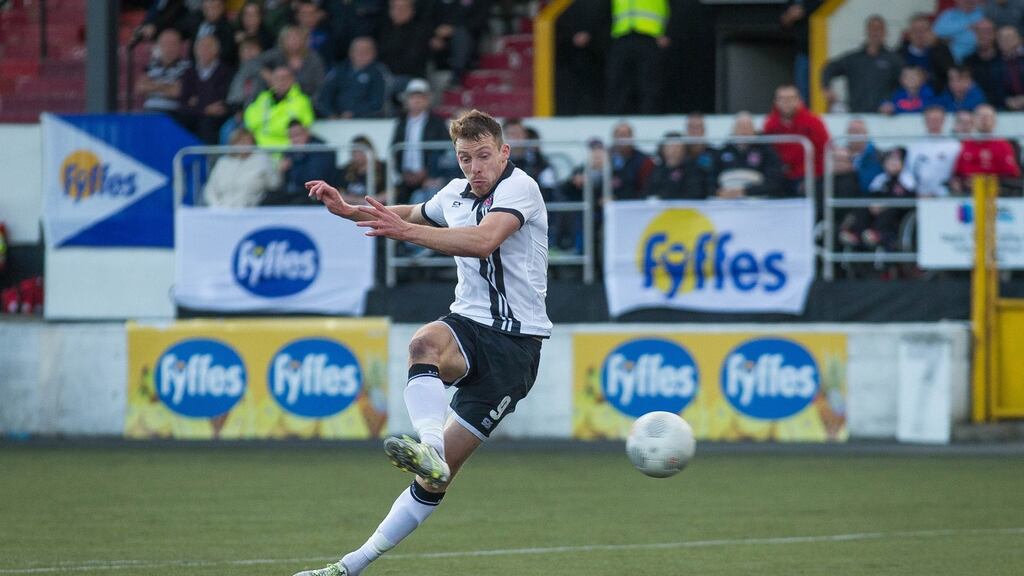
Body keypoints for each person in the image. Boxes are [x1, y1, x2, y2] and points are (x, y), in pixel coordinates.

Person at [297, 109, 551, 576]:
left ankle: (361, 556)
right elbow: (411, 213)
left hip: (515, 348)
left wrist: (407, 233)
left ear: (504, 153)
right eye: (465, 158)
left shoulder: (521, 188)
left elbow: (482, 241)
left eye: (483, 156)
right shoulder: (453, 193)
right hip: (468, 323)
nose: (474, 167)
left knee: (434, 482)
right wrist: (349, 209)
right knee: (423, 345)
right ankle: (348, 566)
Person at [820, 14, 903, 113]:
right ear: (866, 31)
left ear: (885, 33)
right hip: (856, 115)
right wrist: (827, 88)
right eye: (872, 29)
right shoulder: (853, 59)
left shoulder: (894, 60)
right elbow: (829, 68)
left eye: (879, 29)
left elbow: (905, 86)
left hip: (884, 116)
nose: (875, 32)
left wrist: (895, 104)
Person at [390, 78, 450, 204]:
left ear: (427, 100)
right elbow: (395, 149)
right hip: (405, 179)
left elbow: (443, 150)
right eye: (413, 97)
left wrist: (429, 172)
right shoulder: (401, 123)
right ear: (406, 100)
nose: (416, 100)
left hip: (431, 179)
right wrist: (403, 173)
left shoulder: (437, 123)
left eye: (421, 97)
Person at [762, 84, 829, 195]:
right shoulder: (770, 125)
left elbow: (824, 151)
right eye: (782, 99)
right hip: (779, 178)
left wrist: (813, 176)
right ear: (776, 102)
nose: (786, 102)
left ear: (799, 100)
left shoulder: (813, 123)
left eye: (790, 98)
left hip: (808, 176)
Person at [605, 0, 670, 114]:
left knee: (648, 81)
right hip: (622, 36)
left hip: (651, 37)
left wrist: (668, 33)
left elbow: (675, 7)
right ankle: (616, 116)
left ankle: (648, 116)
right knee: (617, 80)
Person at [713, 112, 786, 199]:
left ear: (754, 130)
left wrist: (745, 192)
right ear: (733, 130)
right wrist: (718, 192)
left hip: (757, 201)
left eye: (747, 127)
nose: (744, 131)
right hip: (726, 200)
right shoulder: (722, 152)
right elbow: (711, 178)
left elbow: (773, 181)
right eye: (740, 127)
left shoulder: (766, 152)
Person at [203, 127, 280, 207]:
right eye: (240, 141)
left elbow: (274, 184)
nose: (243, 145)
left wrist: (278, 170)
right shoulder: (223, 162)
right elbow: (210, 190)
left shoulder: (262, 160)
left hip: (251, 209)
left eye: (247, 141)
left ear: (253, 143)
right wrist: (216, 206)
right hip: (221, 209)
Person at [177, 35, 233, 144]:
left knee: (207, 123)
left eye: (208, 47)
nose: (204, 50)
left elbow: (221, 102)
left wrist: (197, 102)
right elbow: (183, 103)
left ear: (216, 51)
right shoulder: (189, 73)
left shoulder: (226, 72)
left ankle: (206, 155)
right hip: (192, 116)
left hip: (216, 119)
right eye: (201, 47)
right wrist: (204, 109)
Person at [266, 120, 337, 205]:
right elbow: (280, 183)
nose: (295, 139)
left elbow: (314, 178)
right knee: (267, 199)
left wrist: (295, 162)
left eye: (297, 135)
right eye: (291, 136)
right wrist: (281, 171)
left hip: (313, 194)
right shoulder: (289, 152)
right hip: (292, 193)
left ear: (307, 132)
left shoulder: (320, 149)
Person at [316, 36, 389, 119]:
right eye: (358, 51)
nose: (361, 54)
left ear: (374, 53)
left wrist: (354, 113)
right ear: (351, 52)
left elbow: (378, 103)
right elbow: (324, 96)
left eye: (366, 51)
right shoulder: (339, 70)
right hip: (336, 120)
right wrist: (330, 114)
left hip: (367, 121)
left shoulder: (379, 73)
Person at [243, 64, 315, 147]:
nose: (281, 81)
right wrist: (278, 117)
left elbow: (299, 129)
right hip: (260, 148)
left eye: (285, 78)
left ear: (293, 80)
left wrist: (266, 121)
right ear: (271, 81)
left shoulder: (301, 101)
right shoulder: (263, 98)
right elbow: (250, 122)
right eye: (277, 78)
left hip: (288, 149)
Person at [901, 105, 961, 197]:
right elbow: (907, 172)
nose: (934, 123)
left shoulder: (955, 146)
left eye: (937, 119)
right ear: (925, 121)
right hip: (920, 196)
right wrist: (914, 191)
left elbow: (957, 173)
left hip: (946, 196)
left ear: (943, 121)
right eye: (930, 119)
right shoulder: (914, 147)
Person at [136, 27, 191, 115]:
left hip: (173, 114)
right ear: (159, 45)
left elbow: (177, 91)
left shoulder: (187, 66)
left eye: (173, 44)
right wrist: (167, 86)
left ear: (179, 45)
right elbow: (140, 88)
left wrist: (153, 85)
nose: (169, 47)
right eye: (165, 43)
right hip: (149, 112)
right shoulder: (151, 65)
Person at [899, 12, 955, 95]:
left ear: (931, 32)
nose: (920, 35)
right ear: (909, 33)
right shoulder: (899, 53)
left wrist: (936, 48)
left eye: (924, 30)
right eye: (916, 31)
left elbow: (950, 74)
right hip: (906, 98)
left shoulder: (942, 50)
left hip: (937, 97)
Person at [780, 0, 824, 103]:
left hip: (825, 51)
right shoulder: (795, 1)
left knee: (822, 88)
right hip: (803, 52)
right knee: (802, 92)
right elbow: (782, 23)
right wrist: (789, 16)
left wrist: (804, 10)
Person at [609, 121, 656, 199]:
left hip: (634, 202)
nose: (623, 139)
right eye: (620, 135)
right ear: (613, 137)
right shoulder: (604, 157)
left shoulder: (645, 161)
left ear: (632, 137)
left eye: (626, 135)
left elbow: (648, 189)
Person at [184, 0, 237, 66]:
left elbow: (226, 54)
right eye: (207, 8)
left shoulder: (227, 29)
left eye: (214, 8)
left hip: (215, 67)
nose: (210, 12)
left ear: (222, 8)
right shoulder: (196, 21)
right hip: (193, 64)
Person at [965, 18, 1002, 104]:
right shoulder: (967, 61)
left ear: (995, 34)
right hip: (977, 106)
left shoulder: (1005, 58)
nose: (983, 35)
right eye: (980, 32)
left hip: (1007, 108)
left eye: (988, 32)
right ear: (975, 35)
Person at [997, 25, 1024, 110]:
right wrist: (1006, 100)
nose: (1006, 40)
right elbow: (993, 88)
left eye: (1010, 37)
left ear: (1020, 39)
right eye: (1002, 38)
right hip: (1005, 107)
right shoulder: (994, 63)